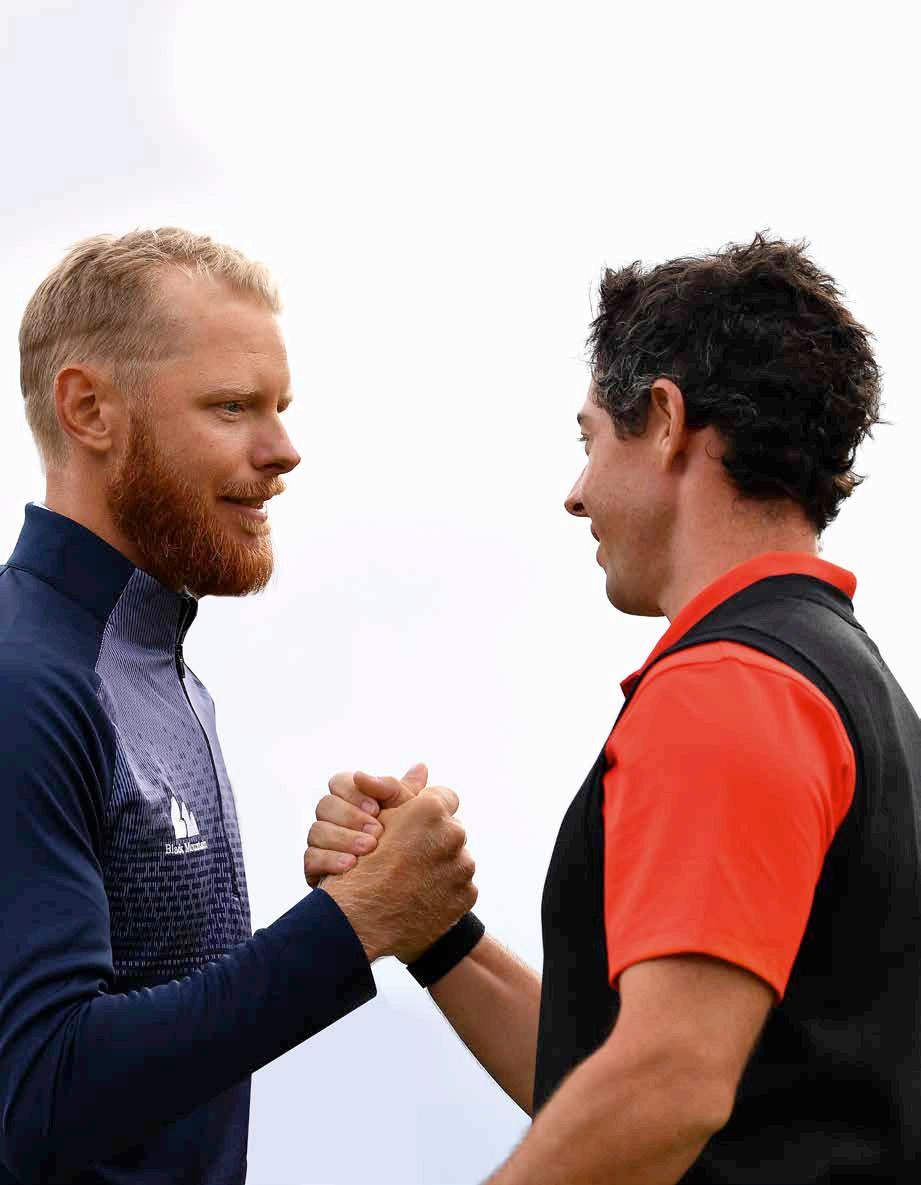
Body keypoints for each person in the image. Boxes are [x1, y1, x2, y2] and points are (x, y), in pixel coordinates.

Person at [307, 234, 921, 1183]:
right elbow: (622, 1083)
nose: (575, 492)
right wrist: (436, 935)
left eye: (588, 439)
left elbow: (667, 1086)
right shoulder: (851, 689)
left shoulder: (728, 688)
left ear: (665, 421)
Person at [0, 229, 480, 1185]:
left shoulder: (163, 671)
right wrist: (352, 923)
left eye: (280, 408)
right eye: (232, 407)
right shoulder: (25, 683)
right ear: (88, 409)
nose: (283, 451)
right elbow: (40, 1096)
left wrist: (369, 913)